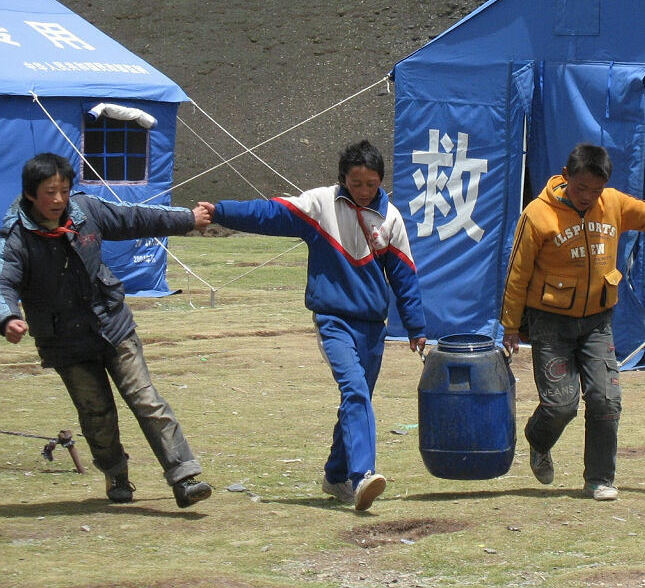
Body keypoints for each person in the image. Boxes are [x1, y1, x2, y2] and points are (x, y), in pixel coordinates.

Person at [198, 140, 426, 511]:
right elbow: (269, 213)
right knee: (354, 390)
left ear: (381, 181)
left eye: (371, 184)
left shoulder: (392, 219)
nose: (364, 191)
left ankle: (336, 477)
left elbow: (405, 278)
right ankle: (363, 475)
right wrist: (222, 211)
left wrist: (416, 327)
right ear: (343, 180)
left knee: (359, 400)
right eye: (356, 183)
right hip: (332, 319)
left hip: (372, 326)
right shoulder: (320, 205)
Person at [500, 143, 645, 501]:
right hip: (550, 322)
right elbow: (517, 273)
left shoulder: (612, 204)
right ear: (566, 177)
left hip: (598, 322)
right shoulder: (537, 215)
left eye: (595, 190)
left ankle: (599, 478)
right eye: (581, 188)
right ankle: (538, 440)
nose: (587, 197)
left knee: (605, 399)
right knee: (561, 404)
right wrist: (509, 326)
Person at [0, 153, 213, 508]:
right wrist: (8, 318)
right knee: (96, 415)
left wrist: (187, 219)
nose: (57, 200)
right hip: (65, 342)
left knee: (147, 401)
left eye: (63, 191)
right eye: (49, 192)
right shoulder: (14, 236)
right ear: (30, 194)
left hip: (112, 326)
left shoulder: (87, 212)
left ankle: (185, 476)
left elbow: (137, 217)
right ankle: (116, 474)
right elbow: (3, 282)